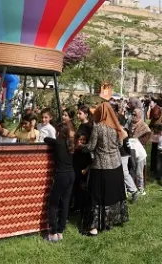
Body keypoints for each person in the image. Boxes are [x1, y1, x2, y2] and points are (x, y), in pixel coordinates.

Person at [81, 101, 129, 236]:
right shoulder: (116, 127)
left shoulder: (98, 127)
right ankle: (111, 221)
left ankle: (94, 227)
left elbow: (91, 146)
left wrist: (80, 147)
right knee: (112, 194)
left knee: (97, 196)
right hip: (116, 165)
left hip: (101, 167)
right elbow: (120, 144)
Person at [44, 112, 76, 242]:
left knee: (53, 203)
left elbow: (46, 139)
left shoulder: (57, 143)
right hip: (71, 175)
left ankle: (53, 232)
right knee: (65, 203)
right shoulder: (70, 144)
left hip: (61, 176)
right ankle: (61, 230)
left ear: (59, 133)